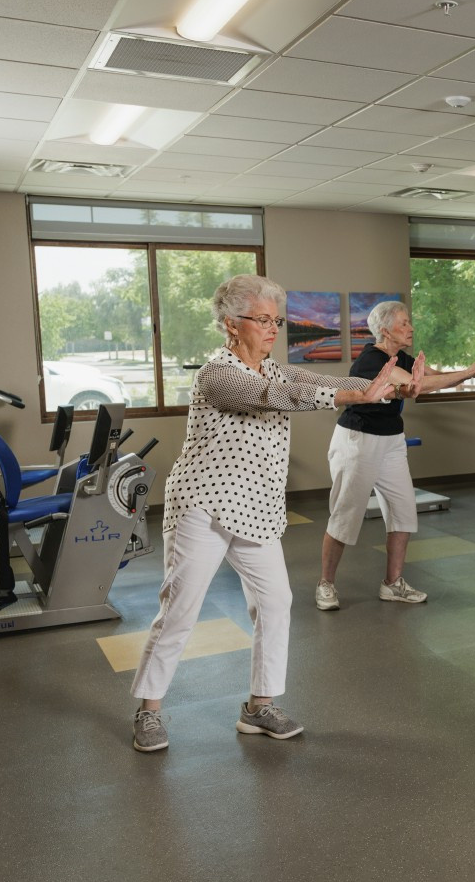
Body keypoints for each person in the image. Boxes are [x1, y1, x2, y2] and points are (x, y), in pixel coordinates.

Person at [129, 274, 400, 753]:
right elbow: (276, 398)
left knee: (276, 604)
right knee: (180, 610)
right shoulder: (218, 373)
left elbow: (324, 380)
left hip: (256, 508)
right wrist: (355, 396)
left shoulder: (273, 368)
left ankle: (259, 706)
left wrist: (382, 386)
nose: (274, 329)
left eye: (278, 321)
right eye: (264, 320)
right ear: (232, 325)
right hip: (204, 505)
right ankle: (148, 711)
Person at [317, 300, 475, 610]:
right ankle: (326, 584)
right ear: (385, 330)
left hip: (391, 440)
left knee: (403, 511)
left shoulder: (399, 356)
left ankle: (392, 584)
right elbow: (417, 384)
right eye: (404, 323)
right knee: (345, 515)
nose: (411, 328)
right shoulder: (371, 361)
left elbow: (430, 374)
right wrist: (463, 374)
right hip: (358, 440)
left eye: (409, 322)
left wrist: (465, 374)